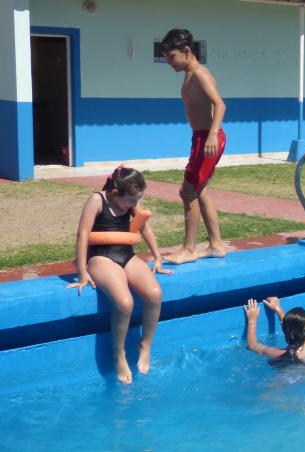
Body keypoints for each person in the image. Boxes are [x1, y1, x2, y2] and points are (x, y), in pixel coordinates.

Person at [67, 167, 172, 384]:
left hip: (127, 255)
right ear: (115, 192)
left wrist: (158, 257)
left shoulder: (130, 202)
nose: (135, 204)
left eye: (138, 199)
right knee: (125, 303)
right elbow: (82, 234)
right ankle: (119, 354)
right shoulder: (97, 200)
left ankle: (145, 345)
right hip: (102, 258)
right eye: (131, 200)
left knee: (154, 294)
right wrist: (82, 272)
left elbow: (145, 229)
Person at [160, 29, 228, 263]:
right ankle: (216, 244)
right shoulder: (189, 74)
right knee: (200, 190)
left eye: (171, 57)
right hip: (200, 137)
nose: (168, 62)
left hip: (208, 138)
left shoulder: (199, 73)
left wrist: (212, 135)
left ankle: (189, 249)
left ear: (187, 51)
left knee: (187, 191)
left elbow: (220, 105)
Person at [243, 297, 305, 365]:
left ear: (284, 330)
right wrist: (278, 308)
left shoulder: (279, 353)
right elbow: (291, 328)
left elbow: (252, 345)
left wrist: (252, 320)